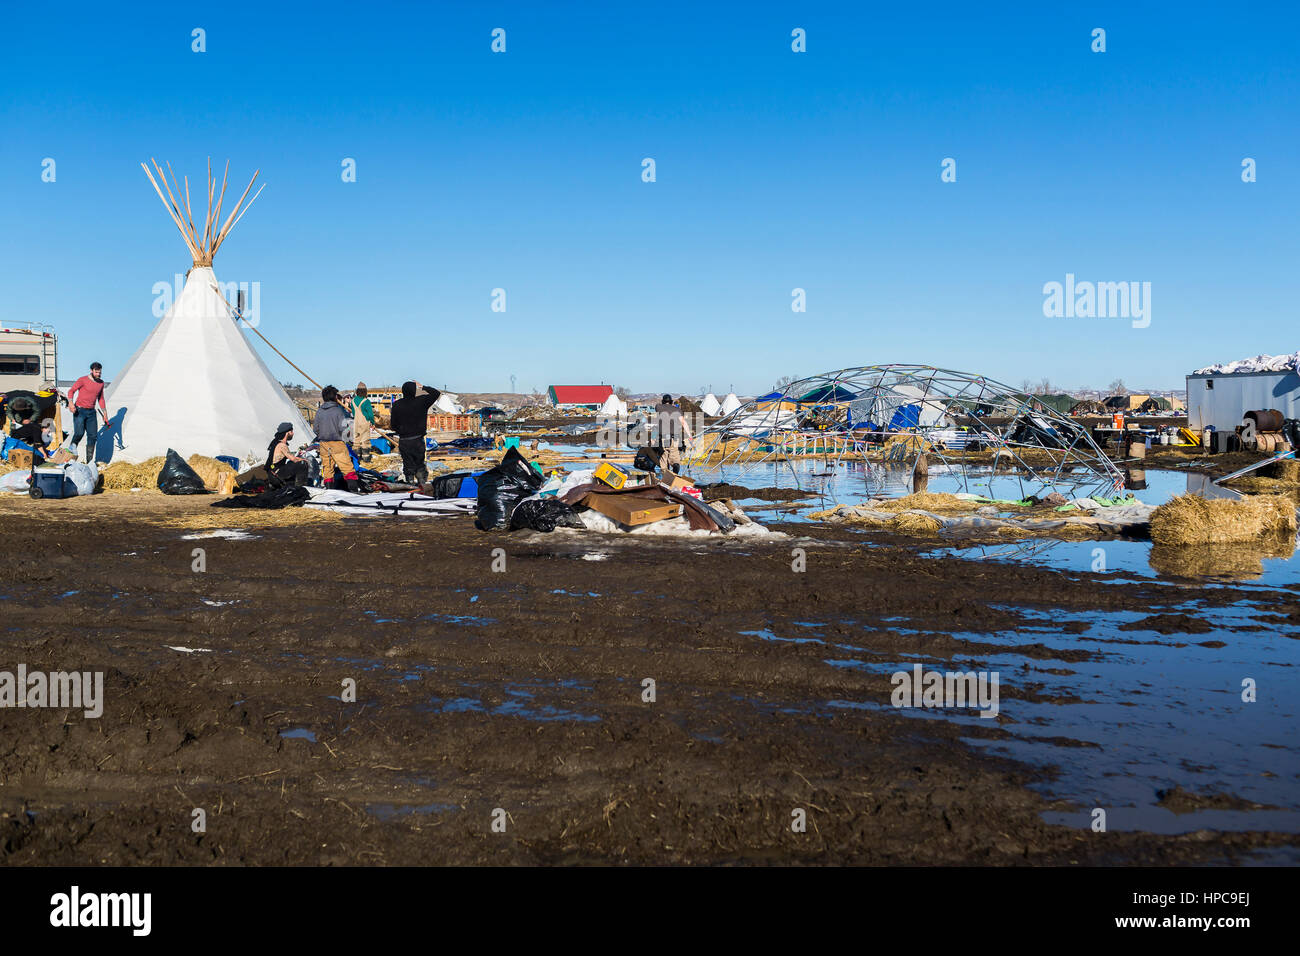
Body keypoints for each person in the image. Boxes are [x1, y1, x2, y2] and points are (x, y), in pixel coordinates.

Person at [390, 380, 441, 485]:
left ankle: (409, 484)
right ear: (415, 390)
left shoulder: (397, 405)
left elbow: (393, 425)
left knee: (408, 464)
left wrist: (400, 430)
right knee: (419, 464)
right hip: (418, 439)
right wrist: (422, 386)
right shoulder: (421, 401)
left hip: (404, 440)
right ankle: (422, 484)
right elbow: (436, 393)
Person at [314, 385, 359, 490]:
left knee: (328, 470)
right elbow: (343, 429)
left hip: (324, 444)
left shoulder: (319, 411)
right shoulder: (338, 411)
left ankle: (329, 492)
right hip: (337, 443)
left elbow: (315, 429)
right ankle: (354, 492)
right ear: (334, 397)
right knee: (347, 468)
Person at [67, 362, 108, 461]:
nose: (98, 374)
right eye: (96, 372)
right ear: (91, 371)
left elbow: (101, 398)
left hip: (91, 412)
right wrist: (71, 403)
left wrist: (105, 413)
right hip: (80, 410)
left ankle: (89, 461)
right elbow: (71, 391)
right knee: (79, 433)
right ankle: (70, 452)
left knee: (93, 436)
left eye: (100, 372)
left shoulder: (101, 383)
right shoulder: (83, 380)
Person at [653, 394, 693, 476]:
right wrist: (689, 435)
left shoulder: (659, 407)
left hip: (663, 437)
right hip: (675, 438)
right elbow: (683, 423)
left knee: (664, 457)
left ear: (663, 401)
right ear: (671, 402)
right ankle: (675, 473)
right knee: (675, 458)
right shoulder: (677, 410)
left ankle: (665, 477)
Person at [265, 422, 308, 487]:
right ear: (287, 433)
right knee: (302, 464)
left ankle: (292, 485)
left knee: (291, 464)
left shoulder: (276, 442)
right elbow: (294, 459)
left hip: (272, 473)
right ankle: (301, 488)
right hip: (276, 474)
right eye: (291, 431)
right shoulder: (282, 445)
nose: (293, 433)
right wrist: (304, 460)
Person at [351, 383, 376, 461]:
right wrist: (373, 423)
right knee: (365, 441)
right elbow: (370, 415)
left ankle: (357, 460)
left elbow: (354, 413)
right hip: (364, 423)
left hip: (356, 423)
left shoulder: (353, 401)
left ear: (357, 391)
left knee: (356, 442)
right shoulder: (366, 401)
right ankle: (366, 460)